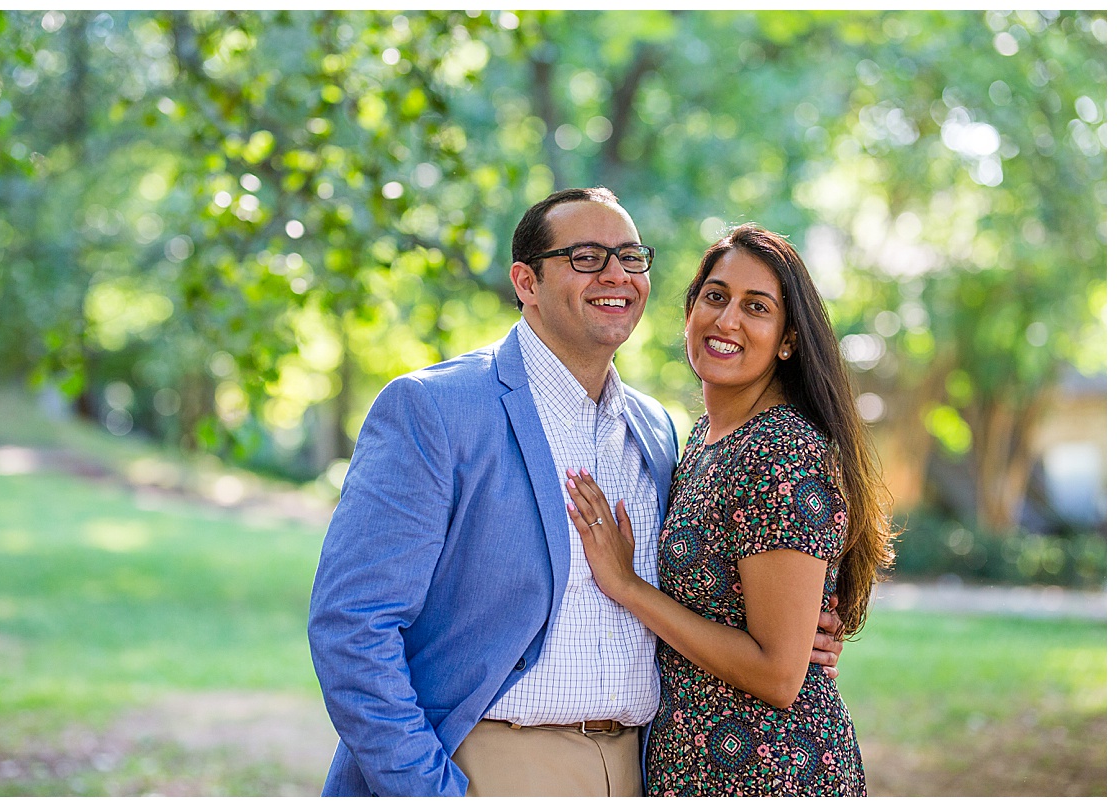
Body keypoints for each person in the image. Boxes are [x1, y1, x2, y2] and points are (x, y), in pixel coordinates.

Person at [307, 190, 845, 797]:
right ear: (526, 282)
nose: (616, 275)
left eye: (630, 257)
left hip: (645, 770)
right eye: (586, 257)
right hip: (491, 764)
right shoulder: (435, 410)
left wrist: (795, 637)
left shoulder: (659, 433)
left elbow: (719, 586)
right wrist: (427, 792)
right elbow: (353, 627)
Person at [563, 223, 896, 796]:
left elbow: (777, 674)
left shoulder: (780, 452)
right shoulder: (701, 440)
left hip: (770, 774)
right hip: (694, 768)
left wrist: (628, 585)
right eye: (715, 297)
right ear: (691, 310)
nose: (728, 320)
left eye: (756, 307)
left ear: (787, 339)